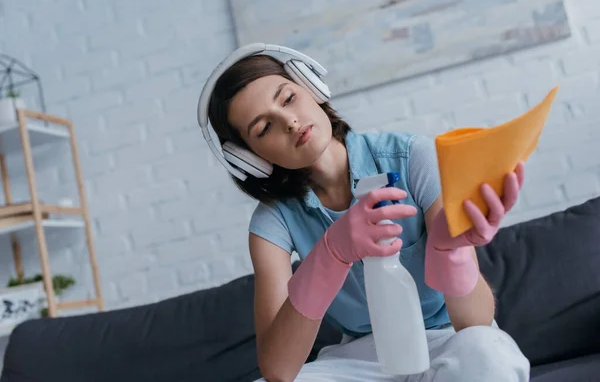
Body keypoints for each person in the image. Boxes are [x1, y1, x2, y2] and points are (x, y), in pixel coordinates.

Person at [197, 43, 530, 382]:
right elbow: (278, 371)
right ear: (250, 159)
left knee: (488, 355)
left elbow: (473, 322)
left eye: (287, 98)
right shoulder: (272, 223)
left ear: (311, 88)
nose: (289, 121)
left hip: (451, 340)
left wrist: (451, 251)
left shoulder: (413, 157)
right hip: (363, 357)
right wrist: (330, 254)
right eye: (263, 128)